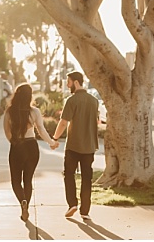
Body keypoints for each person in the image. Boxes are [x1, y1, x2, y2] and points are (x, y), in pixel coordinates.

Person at [3, 84, 59, 221]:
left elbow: (7, 131)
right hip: (31, 147)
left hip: (17, 146)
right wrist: (52, 143)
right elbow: (41, 130)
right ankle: (26, 204)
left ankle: (22, 201)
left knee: (16, 181)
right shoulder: (34, 112)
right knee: (27, 180)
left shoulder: (9, 112)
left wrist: (14, 143)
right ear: (29, 96)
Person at [52, 71, 100, 220]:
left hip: (73, 146)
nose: (67, 85)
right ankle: (85, 211)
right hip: (89, 146)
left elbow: (64, 122)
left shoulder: (71, 101)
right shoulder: (94, 101)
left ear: (76, 82)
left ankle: (72, 203)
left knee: (69, 175)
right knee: (87, 178)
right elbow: (96, 121)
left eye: (69, 82)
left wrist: (54, 138)